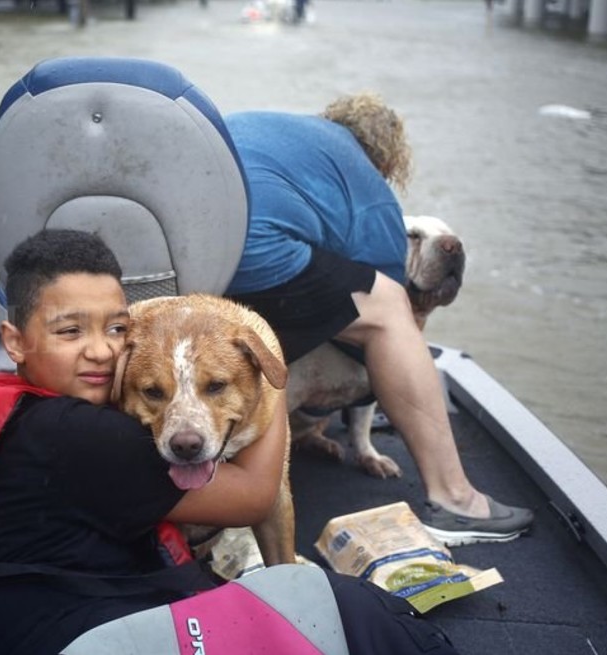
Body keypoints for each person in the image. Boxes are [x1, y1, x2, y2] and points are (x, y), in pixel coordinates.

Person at [0, 229, 461, 655]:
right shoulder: (87, 438)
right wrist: (265, 364)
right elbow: (257, 497)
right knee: (337, 603)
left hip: (9, 622)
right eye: (70, 332)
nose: (100, 352)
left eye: (115, 329)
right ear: (15, 342)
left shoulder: (19, 408)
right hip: (73, 638)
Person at [222, 94, 534, 544]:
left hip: (188, 238)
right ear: (387, 159)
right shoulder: (367, 185)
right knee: (387, 309)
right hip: (255, 249)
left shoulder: (285, 135)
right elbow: (385, 312)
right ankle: (455, 500)